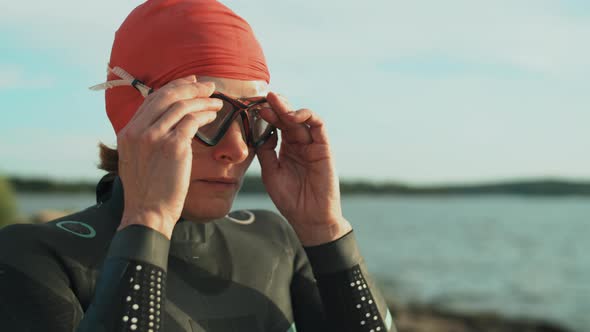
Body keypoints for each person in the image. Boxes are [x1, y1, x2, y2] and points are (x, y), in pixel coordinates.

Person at [0, 1, 397, 331]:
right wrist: (149, 221)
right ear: (132, 120)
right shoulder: (32, 257)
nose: (238, 149)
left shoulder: (277, 241)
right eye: (206, 115)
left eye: (254, 118)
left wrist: (325, 231)